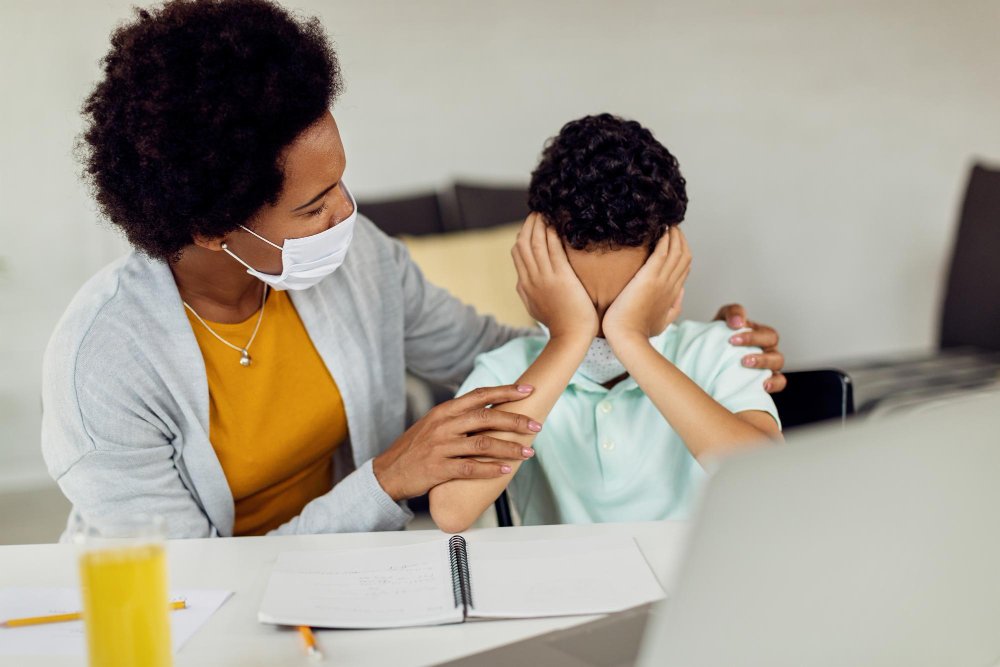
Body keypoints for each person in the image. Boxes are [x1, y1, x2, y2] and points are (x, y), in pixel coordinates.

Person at [41, 0, 786, 539]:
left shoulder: (359, 260)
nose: (346, 214)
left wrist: (670, 345)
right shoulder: (105, 364)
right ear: (208, 226)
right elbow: (188, 590)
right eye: (312, 207)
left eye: (341, 182)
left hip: (361, 577)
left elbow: (495, 358)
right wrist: (388, 479)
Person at [430, 115, 782, 533]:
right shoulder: (506, 372)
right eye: (580, 306)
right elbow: (451, 510)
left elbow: (769, 480)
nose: (601, 328)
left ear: (670, 277)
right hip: (563, 594)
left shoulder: (718, 352)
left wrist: (633, 342)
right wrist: (567, 339)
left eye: (622, 306)